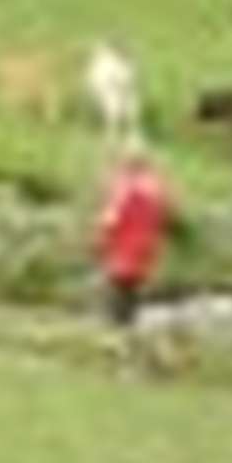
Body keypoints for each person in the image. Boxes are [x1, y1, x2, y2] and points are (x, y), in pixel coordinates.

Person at [96, 148, 173, 356]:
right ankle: (129, 335)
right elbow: (166, 220)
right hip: (147, 248)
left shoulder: (126, 189)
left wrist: (101, 239)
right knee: (132, 292)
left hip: (124, 246)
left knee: (117, 290)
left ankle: (117, 339)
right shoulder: (157, 191)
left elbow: (111, 218)